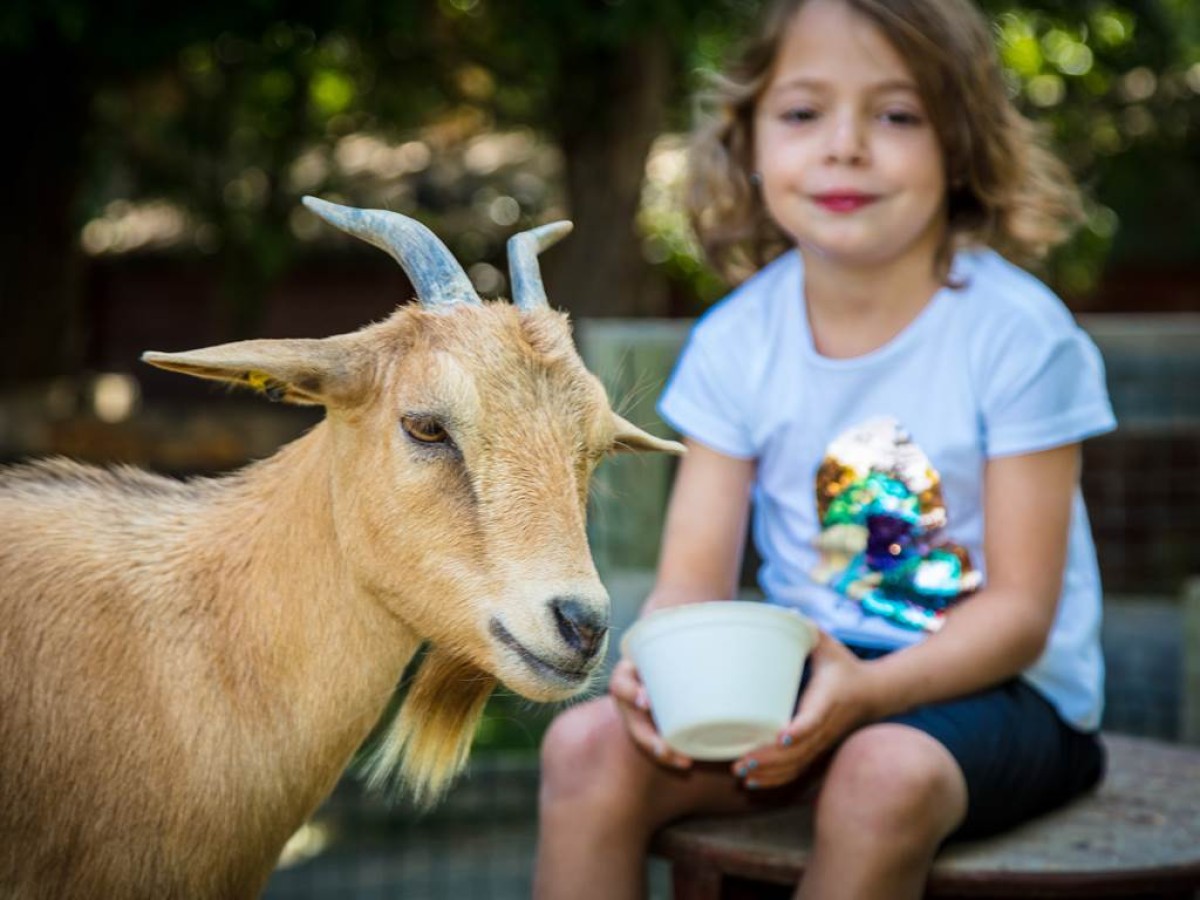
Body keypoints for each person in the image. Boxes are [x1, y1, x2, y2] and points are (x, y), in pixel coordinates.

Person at [534, 0, 1116, 897]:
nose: (845, 145)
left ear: (959, 142)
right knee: (583, 748)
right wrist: (655, 668)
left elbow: (1021, 615)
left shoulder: (1020, 338)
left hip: (1005, 693)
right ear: (749, 140)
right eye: (804, 113)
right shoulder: (736, 342)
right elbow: (690, 582)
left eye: (896, 114)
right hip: (807, 675)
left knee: (877, 775)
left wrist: (871, 695)